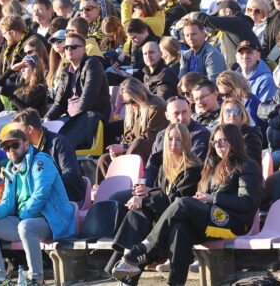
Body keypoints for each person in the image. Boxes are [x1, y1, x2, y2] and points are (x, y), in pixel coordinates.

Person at [112, 124, 261, 286]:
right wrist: (202, 199)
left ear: (234, 141)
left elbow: (248, 203)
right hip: (211, 219)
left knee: (182, 202)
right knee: (180, 228)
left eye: (223, 141)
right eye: (215, 142)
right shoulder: (211, 166)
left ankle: (142, 249)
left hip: (235, 222)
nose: (218, 146)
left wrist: (213, 199)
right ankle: (175, 283)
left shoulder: (247, 165)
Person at [0, 128, 75, 286]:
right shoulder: (10, 169)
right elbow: (7, 204)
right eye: (6, 148)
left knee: (25, 226)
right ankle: (0, 279)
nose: (11, 150)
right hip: (25, 221)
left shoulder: (41, 161)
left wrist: (22, 215)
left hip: (51, 221)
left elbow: (41, 194)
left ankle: (36, 279)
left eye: (15, 145)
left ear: (26, 143)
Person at [104, 123, 203, 284]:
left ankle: (128, 265)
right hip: (163, 215)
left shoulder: (193, 167)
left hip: (181, 218)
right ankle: (127, 266)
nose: (173, 144)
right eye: (170, 139)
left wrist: (146, 198)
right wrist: (141, 198)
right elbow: (159, 191)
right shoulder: (166, 165)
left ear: (186, 142)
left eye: (178, 140)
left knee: (142, 212)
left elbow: (177, 201)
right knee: (136, 212)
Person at [45, 32, 110, 149]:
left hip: (90, 118)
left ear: (84, 49)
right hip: (70, 119)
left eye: (73, 47)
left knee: (58, 143)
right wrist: (48, 119)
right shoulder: (66, 71)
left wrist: (73, 121)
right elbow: (59, 103)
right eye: (66, 47)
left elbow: (89, 97)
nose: (69, 50)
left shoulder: (93, 64)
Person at [97, 78, 166, 184]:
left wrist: (124, 147)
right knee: (104, 159)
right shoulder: (132, 109)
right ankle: (104, 189)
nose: (129, 105)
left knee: (139, 144)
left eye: (132, 101)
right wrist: (118, 150)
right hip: (134, 150)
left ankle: (127, 185)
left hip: (155, 152)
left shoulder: (156, 107)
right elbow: (128, 136)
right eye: (126, 102)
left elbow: (150, 138)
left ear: (141, 95)